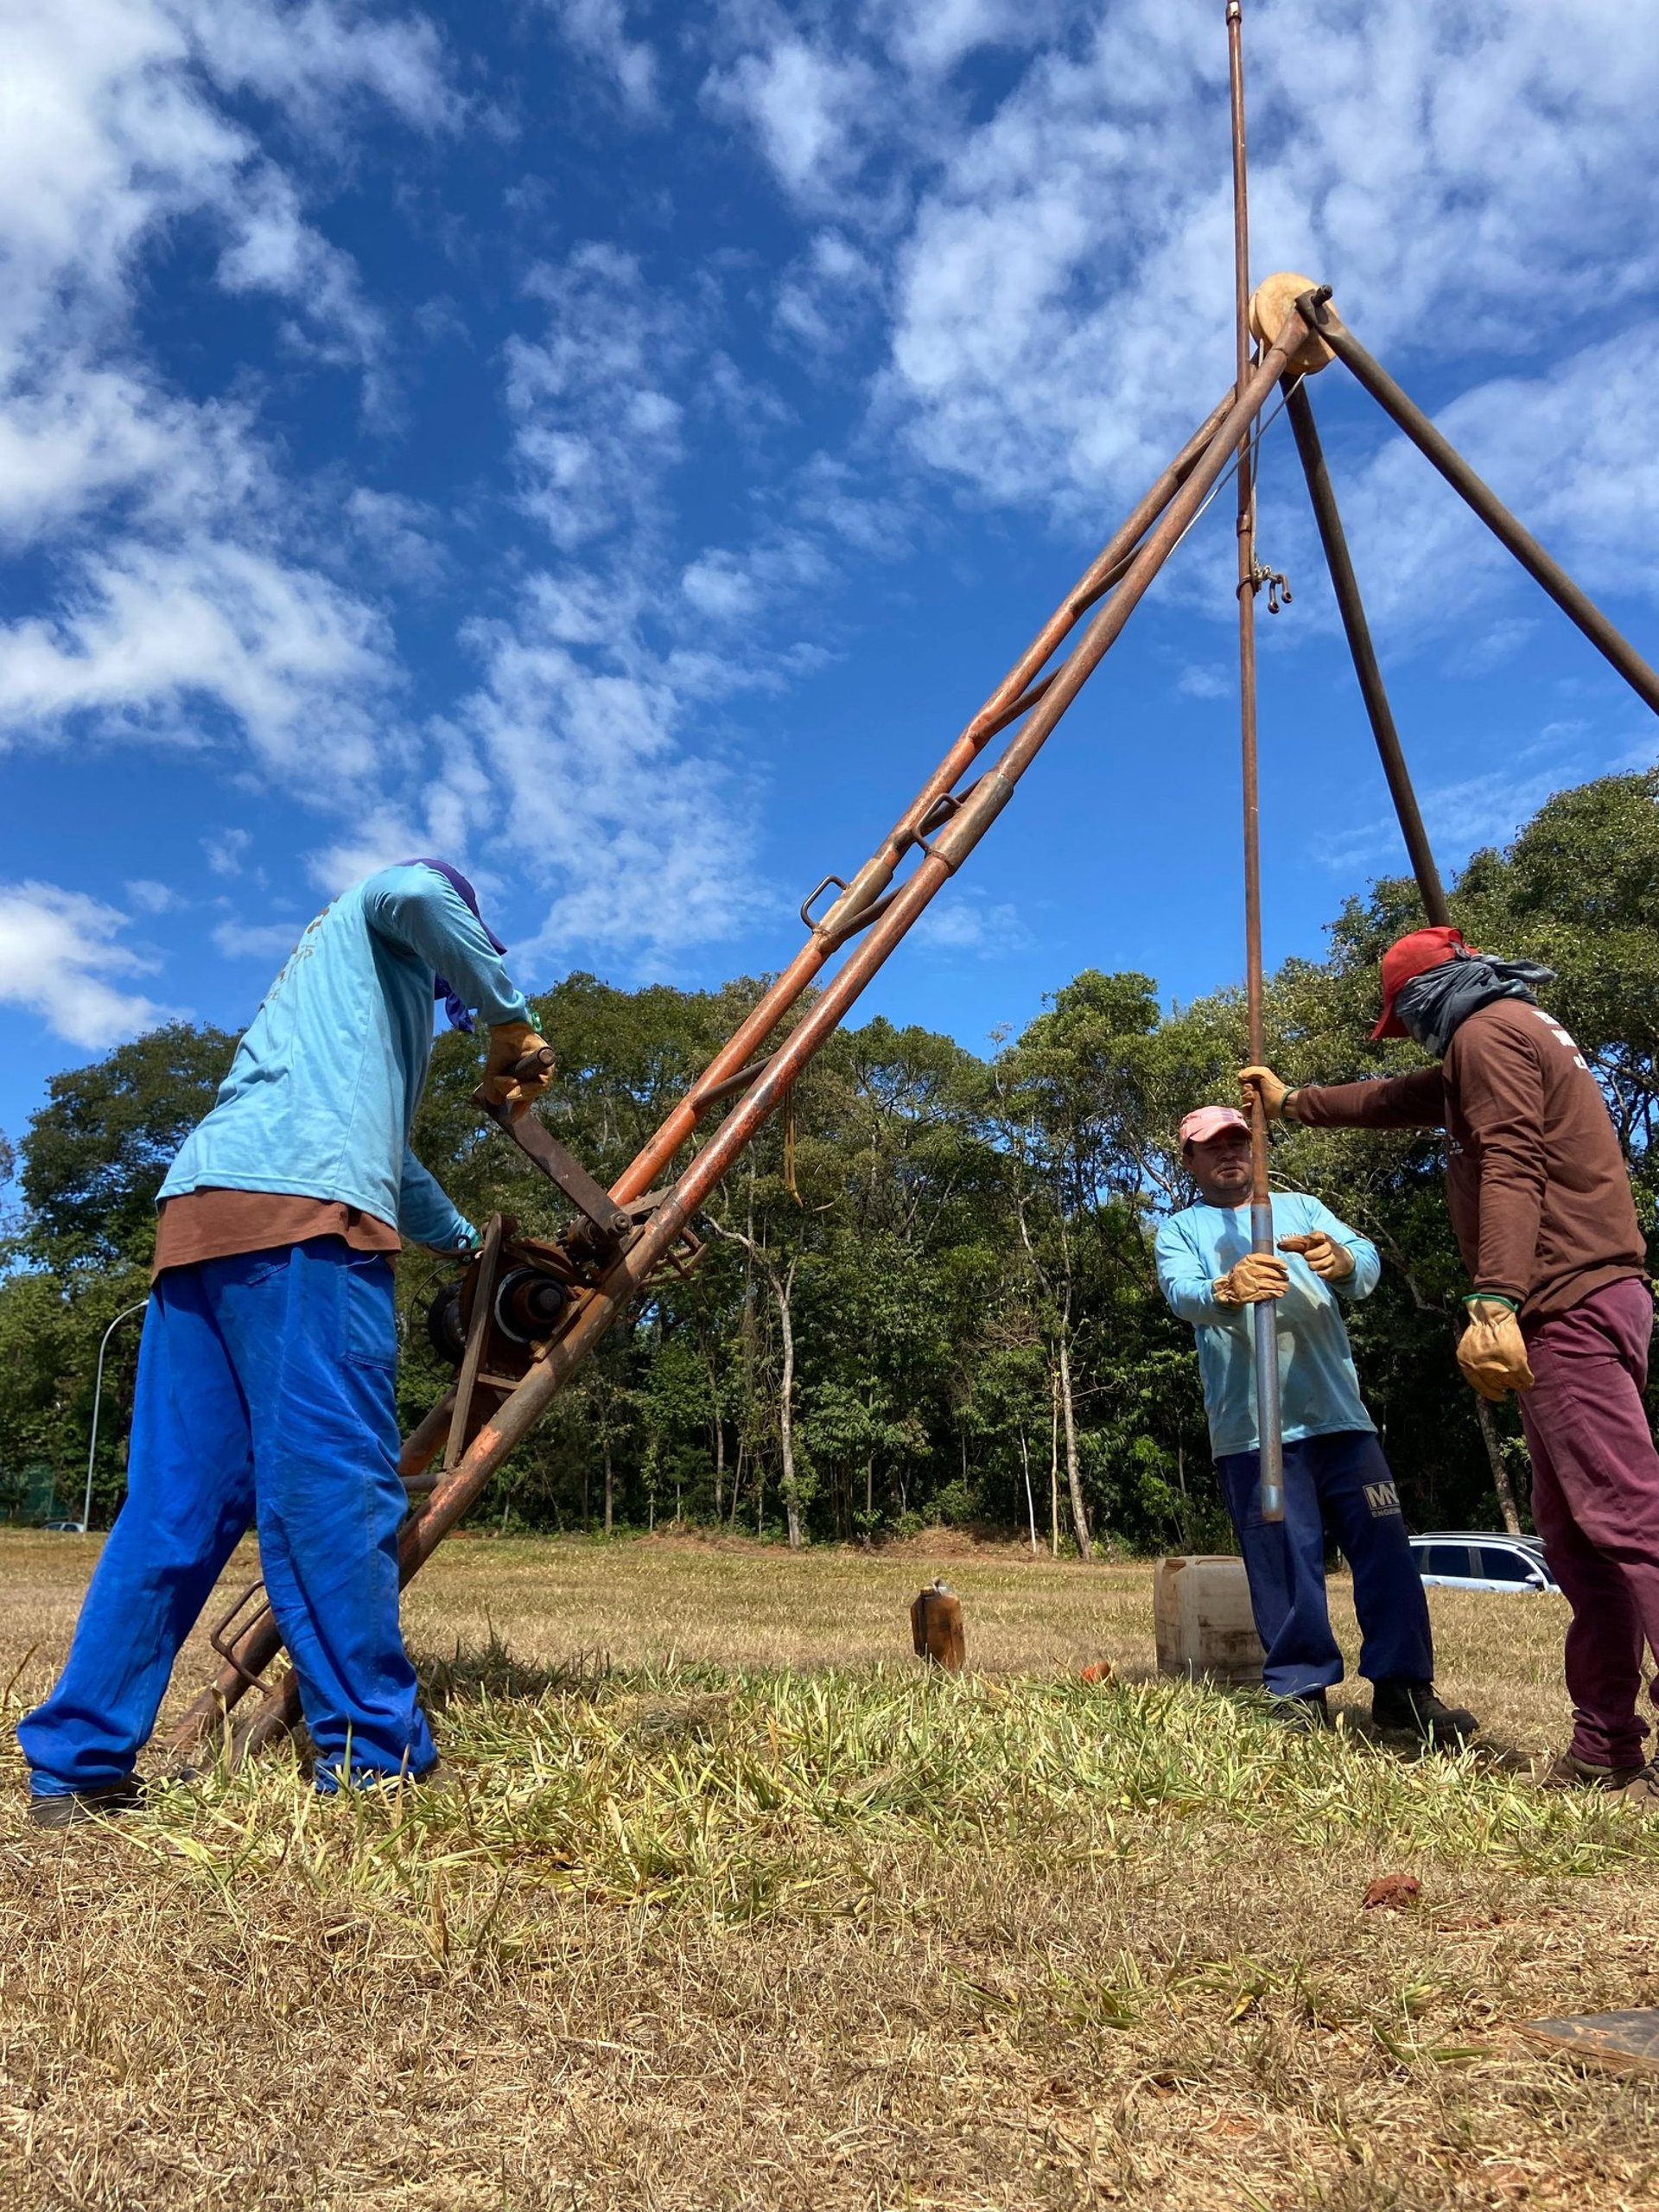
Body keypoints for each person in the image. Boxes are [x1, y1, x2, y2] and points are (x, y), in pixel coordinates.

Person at [20, 859, 552, 1826]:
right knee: (332, 1491)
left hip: (203, 1219)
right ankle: (371, 1756)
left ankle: (80, 1763)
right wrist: (511, 1018)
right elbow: (419, 892)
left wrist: (472, 1246)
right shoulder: (384, 908)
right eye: (456, 978)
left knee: (177, 1505)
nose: (447, 997)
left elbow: (390, 1157)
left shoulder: (332, 1012)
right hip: (306, 1225)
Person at [1242, 924, 1659, 1800]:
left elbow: (1513, 1160)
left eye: (1409, 1019)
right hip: (1582, 1300)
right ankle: (1606, 1743)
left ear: (1427, 1000)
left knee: (1627, 1525)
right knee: (1582, 1542)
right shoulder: (1505, 1031)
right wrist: (1293, 1102)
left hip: (1565, 1301)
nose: (1418, 1037)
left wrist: (1497, 1294)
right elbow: (1397, 1098)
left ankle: (1610, 1740)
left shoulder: (1488, 1033)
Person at [1155, 1103, 1476, 1743]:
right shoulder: (1181, 1230)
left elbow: (1366, 1266)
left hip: (1338, 1419)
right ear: (1189, 1161)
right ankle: (1300, 1693)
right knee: (1283, 1563)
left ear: (1255, 1147)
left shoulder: (1299, 1208)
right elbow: (1180, 1292)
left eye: (1238, 1141)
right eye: (1211, 1146)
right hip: (1253, 1429)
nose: (1229, 1154)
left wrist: (1342, 1260)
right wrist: (1227, 1287)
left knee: (1385, 1555)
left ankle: (1403, 1693)